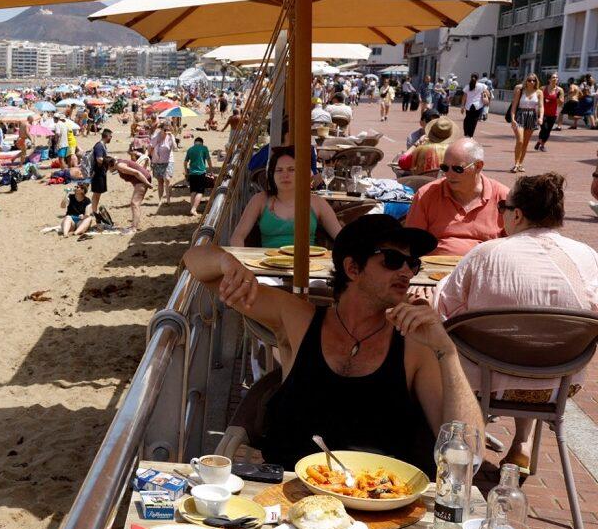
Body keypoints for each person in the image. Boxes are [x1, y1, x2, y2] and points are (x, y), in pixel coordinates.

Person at [183, 215, 484, 475]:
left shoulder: (414, 345)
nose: (406, 272)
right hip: (287, 495)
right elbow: (194, 262)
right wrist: (226, 261)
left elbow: (467, 457)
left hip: (377, 502)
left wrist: (447, 350)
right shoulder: (298, 319)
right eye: (393, 260)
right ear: (352, 268)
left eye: (412, 263)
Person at [429, 172, 596, 471]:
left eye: (503, 207)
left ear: (516, 214)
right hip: (558, 383)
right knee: (534, 342)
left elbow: (444, 307)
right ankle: (522, 442)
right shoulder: (587, 256)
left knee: (444, 344)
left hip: (485, 381)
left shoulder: (485, 254)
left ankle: (454, 450)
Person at [405, 138, 509, 256]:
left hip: (485, 269)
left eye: (457, 169)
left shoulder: (503, 197)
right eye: (445, 168)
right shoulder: (426, 195)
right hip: (435, 270)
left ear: (478, 166)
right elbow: (411, 244)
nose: (449, 174)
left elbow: (516, 245)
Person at [229, 145, 342, 247]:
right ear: (272, 175)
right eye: (279, 170)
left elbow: (341, 238)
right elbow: (237, 237)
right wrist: (241, 264)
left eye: (291, 170)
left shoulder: (317, 202)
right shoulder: (260, 200)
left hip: (308, 267)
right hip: (266, 266)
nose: (285, 175)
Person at [107, 155, 154, 232]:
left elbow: (136, 173)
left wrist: (147, 183)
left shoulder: (120, 166)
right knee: (135, 203)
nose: (108, 170)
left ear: (109, 165)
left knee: (135, 203)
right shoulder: (118, 162)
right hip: (140, 180)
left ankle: (134, 228)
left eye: (107, 168)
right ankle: (134, 225)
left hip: (142, 179)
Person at [507, 73, 541, 173]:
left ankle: (520, 164)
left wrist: (541, 117)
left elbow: (541, 106)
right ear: (526, 81)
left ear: (536, 82)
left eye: (533, 80)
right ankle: (516, 164)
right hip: (520, 115)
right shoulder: (520, 91)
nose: (531, 82)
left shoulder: (539, 92)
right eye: (529, 80)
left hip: (532, 116)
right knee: (520, 141)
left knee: (525, 143)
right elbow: (514, 106)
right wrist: (512, 118)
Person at [534, 73, 564, 152]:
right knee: (544, 128)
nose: (555, 79)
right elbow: (536, 99)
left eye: (556, 77)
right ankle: (540, 142)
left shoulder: (560, 90)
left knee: (548, 130)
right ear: (549, 80)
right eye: (553, 77)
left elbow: (561, 103)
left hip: (553, 114)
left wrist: (557, 97)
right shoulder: (543, 89)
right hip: (543, 113)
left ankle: (541, 144)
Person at [184, 137, 213, 216]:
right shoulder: (204, 148)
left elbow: (185, 162)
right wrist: (211, 171)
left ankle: (192, 209)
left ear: (194, 143)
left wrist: (186, 172)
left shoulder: (190, 149)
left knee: (193, 191)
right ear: (202, 143)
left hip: (192, 173)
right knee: (200, 192)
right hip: (201, 173)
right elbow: (208, 160)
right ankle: (193, 209)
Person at [149, 125, 177, 206]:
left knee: (167, 179)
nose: (167, 131)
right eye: (165, 129)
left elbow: (175, 148)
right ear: (161, 129)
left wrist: (172, 137)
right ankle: (160, 200)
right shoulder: (156, 137)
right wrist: (150, 157)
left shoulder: (170, 137)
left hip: (168, 161)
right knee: (160, 181)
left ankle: (168, 199)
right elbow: (150, 147)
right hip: (157, 161)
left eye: (168, 129)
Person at [90, 128, 112, 211]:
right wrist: (110, 162)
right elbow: (99, 159)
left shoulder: (102, 145)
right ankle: (94, 210)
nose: (111, 138)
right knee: (97, 193)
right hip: (98, 173)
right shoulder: (99, 146)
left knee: (98, 193)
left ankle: (94, 209)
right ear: (107, 136)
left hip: (100, 172)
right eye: (110, 136)